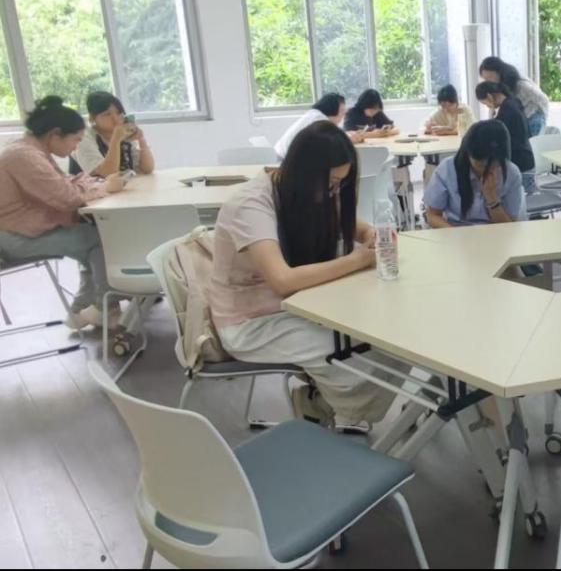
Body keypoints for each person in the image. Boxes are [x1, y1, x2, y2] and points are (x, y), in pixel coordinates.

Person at [209, 121, 401, 431]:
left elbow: (358, 228)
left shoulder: (310, 191)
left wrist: (371, 235)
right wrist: (357, 259)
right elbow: (282, 281)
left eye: (340, 184)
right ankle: (325, 403)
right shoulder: (251, 204)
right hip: (251, 323)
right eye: (331, 184)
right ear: (305, 173)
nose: (334, 192)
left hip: (301, 305)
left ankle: (321, 402)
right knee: (357, 356)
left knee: (386, 336)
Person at [0, 96, 125, 329]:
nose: (75, 147)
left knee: (90, 237)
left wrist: (90, 185)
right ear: (55, 134)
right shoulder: (24, 156)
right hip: (14, 239)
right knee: (100, 240)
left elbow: (67, 183)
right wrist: (104, 187)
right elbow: (68, 198)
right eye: (75, 140)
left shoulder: (31, 150)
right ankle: (104, 307)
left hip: (23, 231)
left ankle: (83, 310)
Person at [423, 120, 526, 228]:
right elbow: (432, 215)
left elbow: (509, 226)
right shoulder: (447, 169)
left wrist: (491, 198)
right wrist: (456, 234)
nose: (485, 170)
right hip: (456, 229)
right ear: (467, 154)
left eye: (492, 165)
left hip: (494, 232)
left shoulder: (511, 173)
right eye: (479, 165)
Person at [70, 91, 155, 177]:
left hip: (123, 184)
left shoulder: (123, 133)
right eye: (107, 114)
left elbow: (147, 169)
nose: (115, 119)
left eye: (118, 113)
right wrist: (116, 139)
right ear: (92, 118)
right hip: (89, 185)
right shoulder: (84, 137)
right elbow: (107, 173)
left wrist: (141, 139)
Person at [475, 81, 536, 193]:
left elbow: (497, 136)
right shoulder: (514, 102)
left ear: (489, 96)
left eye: (485, 104)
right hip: (527, 160)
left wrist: (492, 114)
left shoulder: (506, 111)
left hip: (519, 165)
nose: (487, 106)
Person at [275, 92, 363, 159]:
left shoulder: (315, 114)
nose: (343, 115)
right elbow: (333, 142)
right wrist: (349, 139)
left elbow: (334, 134)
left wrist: (348, 134)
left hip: (284, 155)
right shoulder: (319, 119)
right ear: (332, 109)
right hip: (286, 160)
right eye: (342, 111)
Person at [479, 56, 550, 137]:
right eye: (485, 79)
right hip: (519, 120)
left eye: (490, 77)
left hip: (532, 119)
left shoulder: (520, 84)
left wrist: (541, 119)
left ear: (499, 72)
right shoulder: (497, 88)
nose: (488, 82)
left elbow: (543, 99)